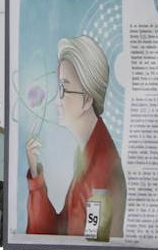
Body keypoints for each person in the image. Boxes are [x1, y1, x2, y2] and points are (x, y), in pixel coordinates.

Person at [25, 35, 127, 238]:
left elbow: (93, 246)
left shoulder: (101, 170)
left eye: (64, 88)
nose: (57, 101)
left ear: (88, 99)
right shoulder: (88, 156)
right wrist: (35, 174)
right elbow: (60, 230)